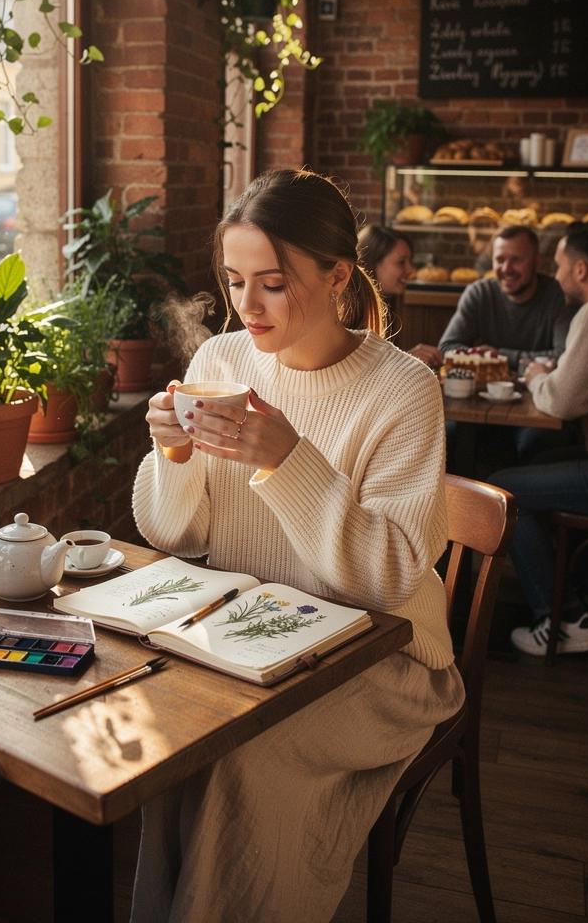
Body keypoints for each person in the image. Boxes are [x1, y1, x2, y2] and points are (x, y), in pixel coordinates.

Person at [132, 169, 464, 923]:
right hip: (253, 638)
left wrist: (290, 460)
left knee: (244, 763)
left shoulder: (403, 388)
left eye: (273, 284)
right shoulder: (220, 363)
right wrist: (174, 457)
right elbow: (171, 533)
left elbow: (387, 580)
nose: (248, 306)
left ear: (337, 274)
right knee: (169, 749)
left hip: (386, 658)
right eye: (234, 279)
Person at [489, 222, 588, 656]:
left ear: (580, 269)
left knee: (504, 489)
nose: (555, 276)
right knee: (548, 456)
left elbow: (563, 401)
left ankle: (561, 620)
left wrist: (540, 376)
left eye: (559, 266)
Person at [438, 224, 575, 369]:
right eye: (500, 260)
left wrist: (499, 356)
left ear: (537, 262)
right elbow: (447, 347)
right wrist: (483, 356)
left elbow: (564, 356)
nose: (506, 269)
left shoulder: (559, 296)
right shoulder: (479, 293)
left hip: (540, 389)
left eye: (516, 260)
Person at [357, 223, 442, 368]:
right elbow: (361, 372)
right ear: (372, 262)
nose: (411, 270)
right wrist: (407, 359)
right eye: (401, 262)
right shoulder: (353, 312)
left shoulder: (388, 303)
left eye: (410, 261)